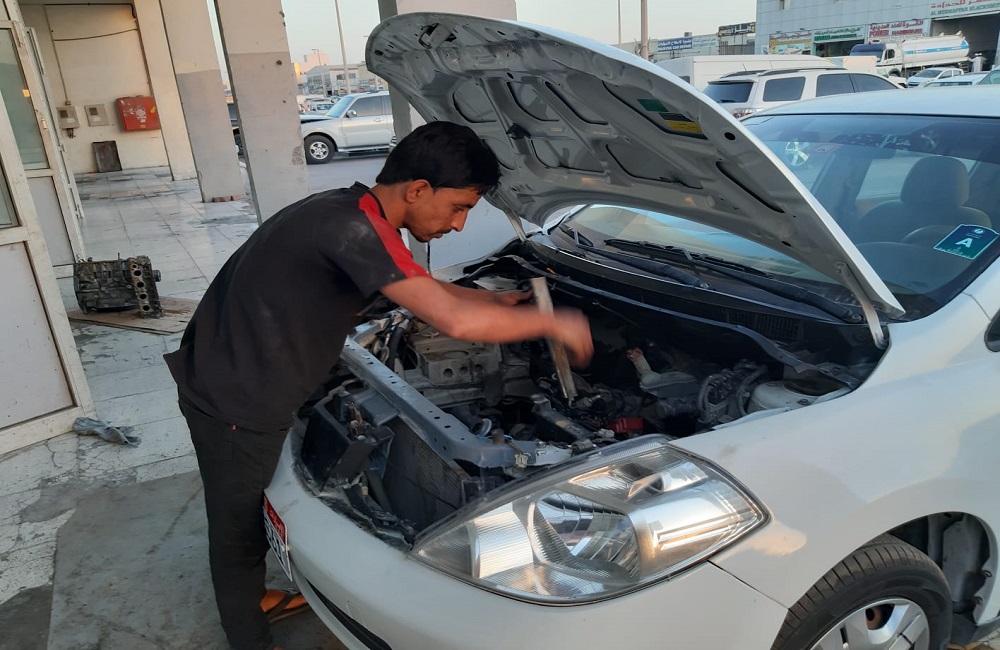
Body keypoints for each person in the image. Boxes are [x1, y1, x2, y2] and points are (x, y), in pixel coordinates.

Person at [164, 121, 593, 650]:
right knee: (234, 529)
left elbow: (421, 286)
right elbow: (453, 322)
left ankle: (252, 599)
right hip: (235, 399)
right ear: (418, 190)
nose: (458, 224)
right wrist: (554, 323)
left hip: (231, 371)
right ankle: (248, 632)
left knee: (246, 507)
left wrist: (493, 300)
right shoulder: (355, 231)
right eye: (458, 208)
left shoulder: (349, 211)